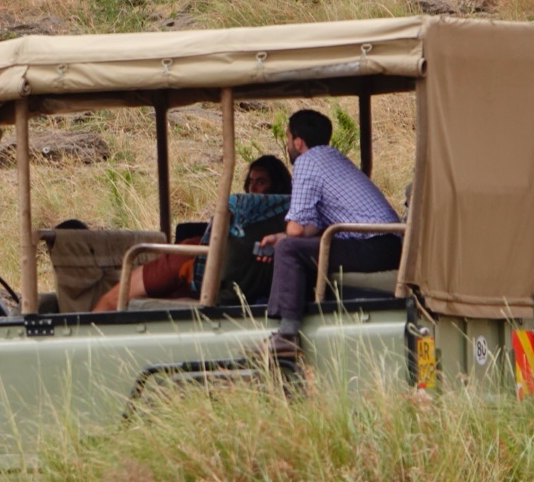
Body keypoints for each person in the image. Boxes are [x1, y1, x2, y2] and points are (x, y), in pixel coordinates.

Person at [258, 109, 401, 359]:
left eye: (288, 138)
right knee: (289, 245)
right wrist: (284, 236)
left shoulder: (307, 162)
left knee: (288, 250)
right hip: (387, 242)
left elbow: (295, 228)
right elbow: (309, 228)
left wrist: (286, 239)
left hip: (374, 244)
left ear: (298, 141)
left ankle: (287, 333)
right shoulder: (333, 158)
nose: (288, 144)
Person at [93, 155, 291, 311]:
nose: (252, 188)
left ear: (277, 186)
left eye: (261, 182)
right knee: (119, 297)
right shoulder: (285, 214)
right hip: (194, 259)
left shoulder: (250, 208)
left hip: (197, 260)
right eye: (251, 181)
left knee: (116, 298)